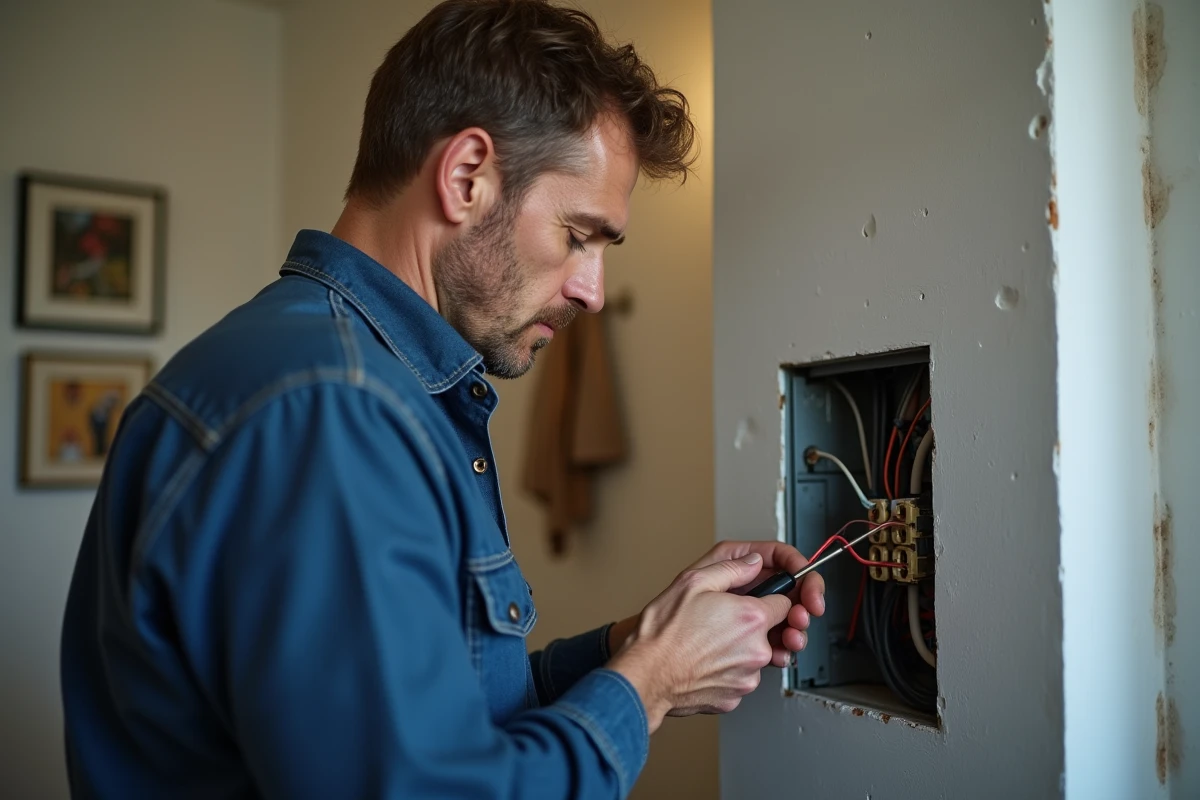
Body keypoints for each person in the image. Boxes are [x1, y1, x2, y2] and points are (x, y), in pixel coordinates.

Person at [60, 1, 825, 797]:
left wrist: (639, 644)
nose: (593, 290)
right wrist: (653, 684)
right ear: (466, 177)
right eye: (578, 234)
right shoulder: (333, 415)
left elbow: (440, 724)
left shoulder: (320, 374)